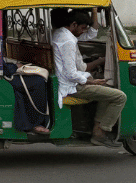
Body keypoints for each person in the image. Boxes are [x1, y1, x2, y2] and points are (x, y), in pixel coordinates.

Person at [51, 10, 124, 147]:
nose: (83, 32)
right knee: (120, 97)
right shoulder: (68, 41)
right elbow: (71, 74)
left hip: (70, 83)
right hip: (72, 87)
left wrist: (94, 12)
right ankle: (101, 132)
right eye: (82, 28)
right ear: (74, 24)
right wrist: (91, 81)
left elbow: (91, 33)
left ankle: (94, 128)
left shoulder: (60, 33)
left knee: (106, 90)